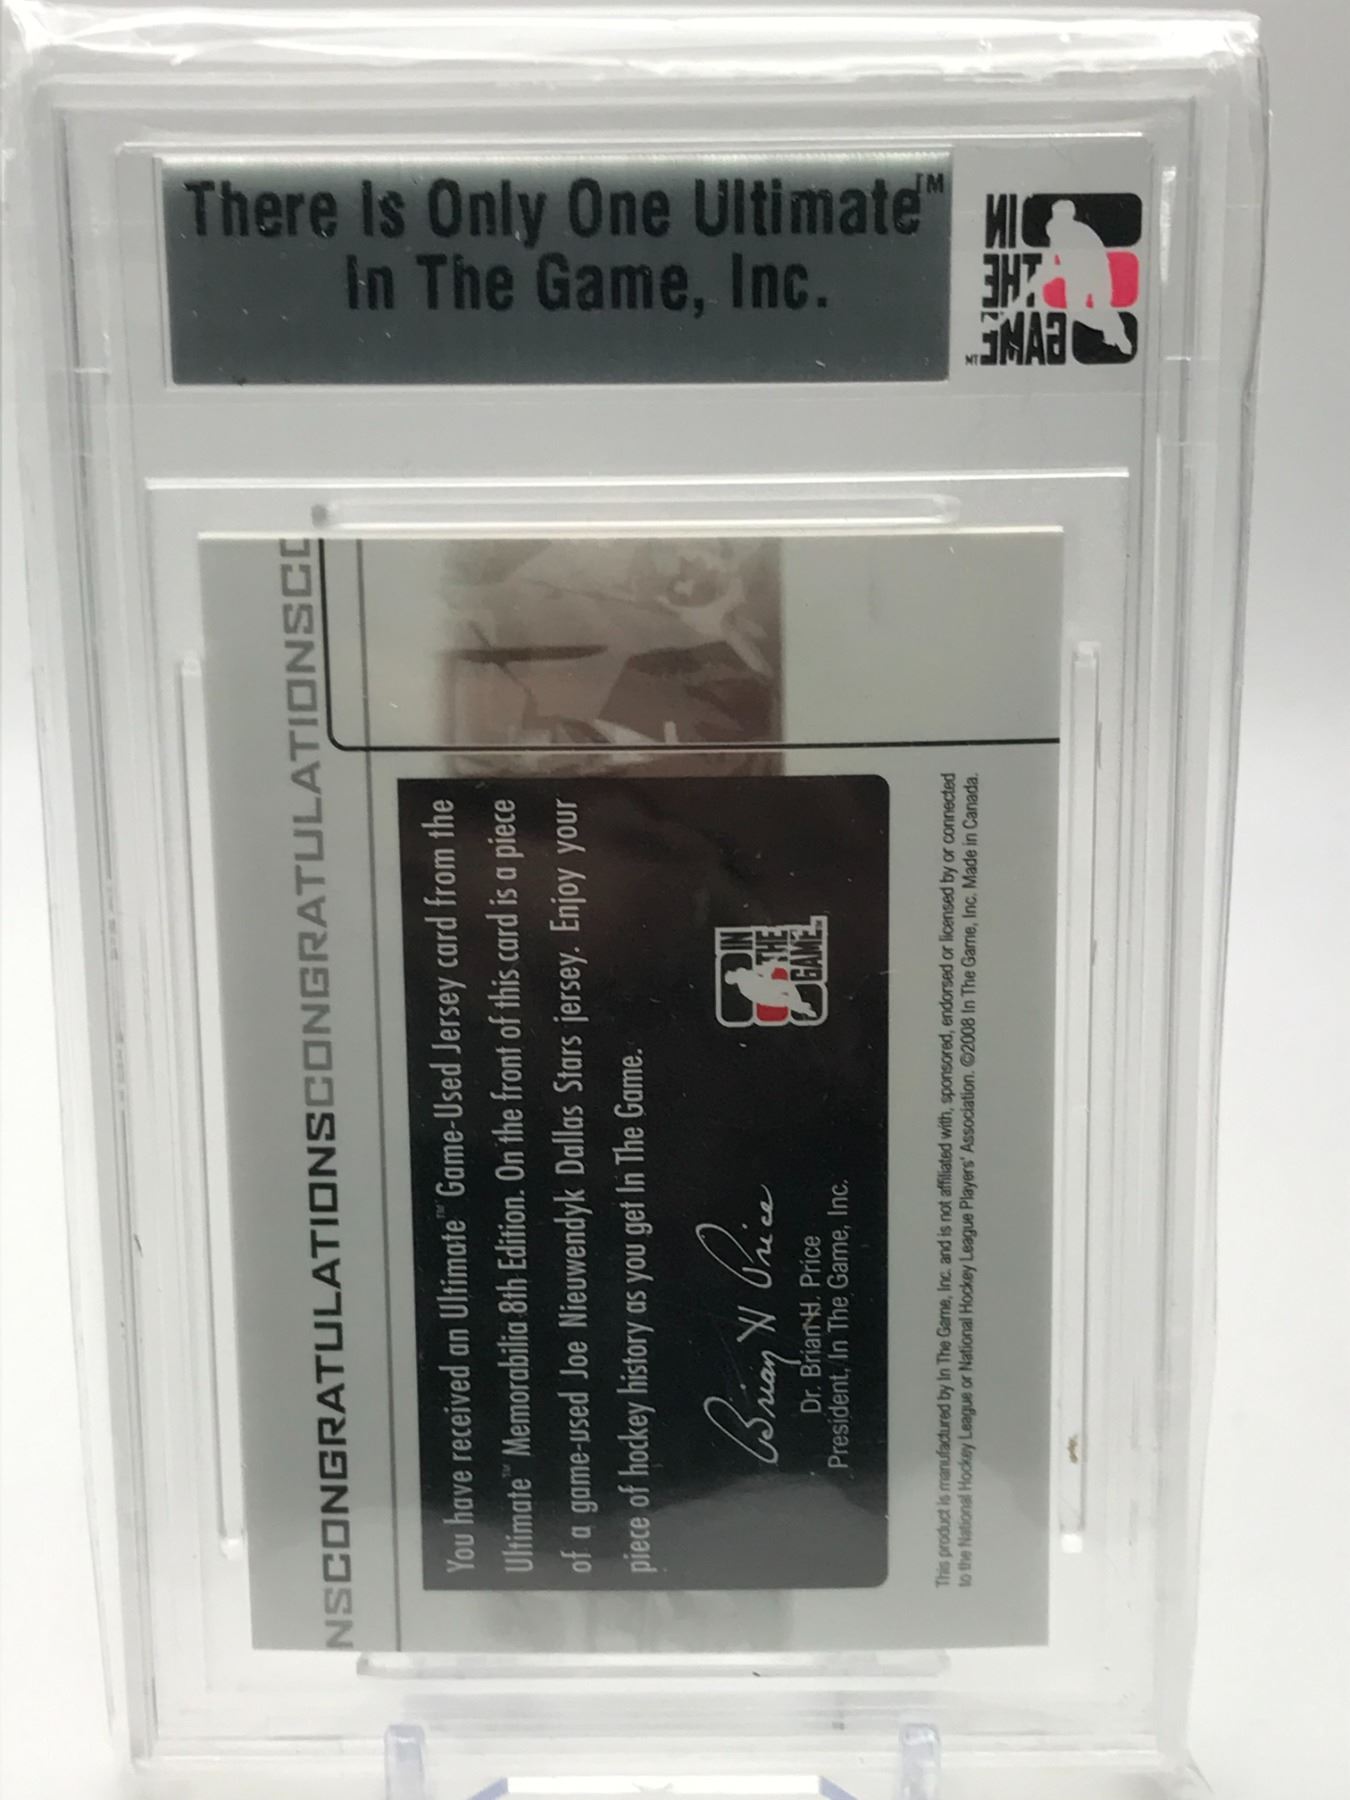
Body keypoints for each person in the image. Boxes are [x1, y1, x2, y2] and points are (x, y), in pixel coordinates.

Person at [1043, 199, 1132, 354]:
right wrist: (1048, 271)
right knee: (1077, 311)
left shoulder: (1083, 233)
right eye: (1057, 214)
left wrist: (1057, 272)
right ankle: (1113, 333)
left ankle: (1115, 335)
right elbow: (1053, 255)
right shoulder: (1054, 229)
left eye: (1063, 215)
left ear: (1070, 215)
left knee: (1101, 307)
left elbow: (1080, 264)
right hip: (1081, 275)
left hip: (1096, 273)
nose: (1060, 218)